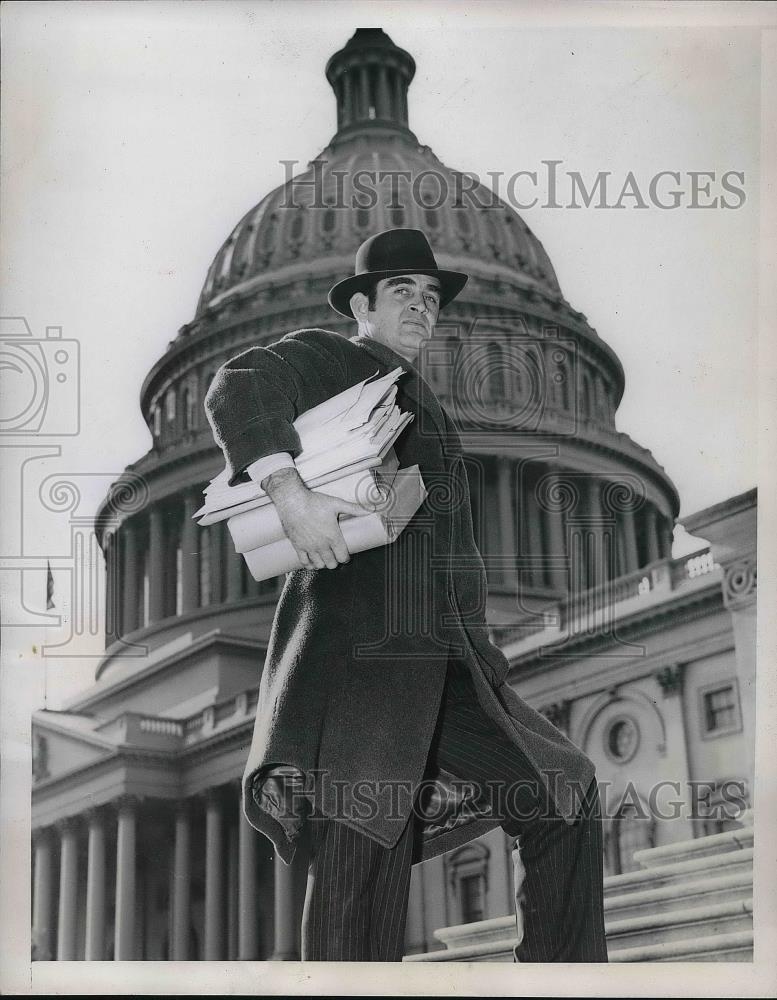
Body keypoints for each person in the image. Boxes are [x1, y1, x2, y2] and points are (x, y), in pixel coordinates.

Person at [204, 228, 608, 962]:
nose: (423, 308)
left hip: (446, 663)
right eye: (403, 294)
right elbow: (236, 383)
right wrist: (289, 492)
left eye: (430, 298)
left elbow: (448, 561)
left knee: (565, 795)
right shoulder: (336, 360)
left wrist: (485, 665)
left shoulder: (416, 397)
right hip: (363, 668)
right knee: (358, 880)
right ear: (360, 304)